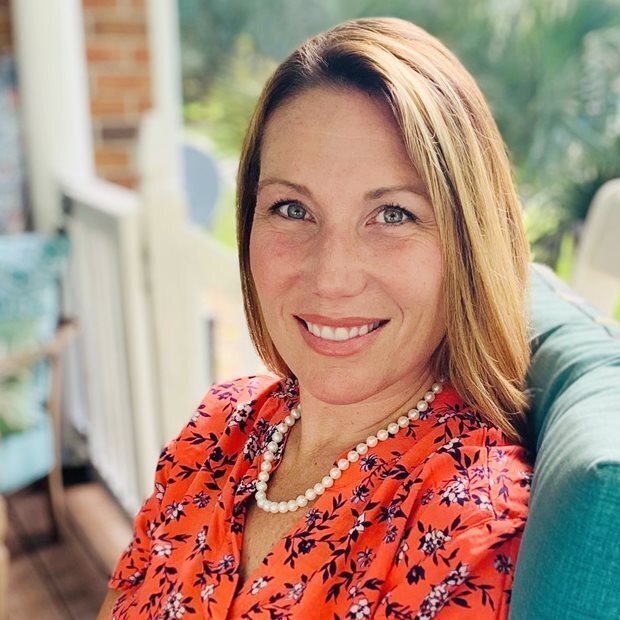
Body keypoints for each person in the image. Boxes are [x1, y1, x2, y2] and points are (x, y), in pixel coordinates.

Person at [98, 16, 533, 619]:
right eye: (292, 208)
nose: (331, 276)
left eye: (393, 215)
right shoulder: (218, 430)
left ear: (468, 242)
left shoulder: (468, 520)